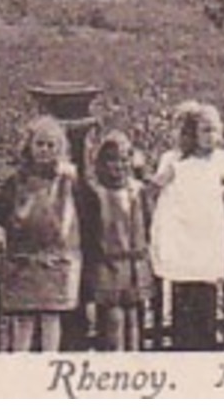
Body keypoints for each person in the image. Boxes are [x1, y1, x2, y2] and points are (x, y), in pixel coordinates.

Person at [148, 101, 224, 350]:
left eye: (214, 130)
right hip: (183, 238)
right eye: (204, 130)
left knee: (206, 298)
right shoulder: (174, 159)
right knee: (183, 297)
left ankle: (205, 347)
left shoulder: (219, 160)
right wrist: (166, 177)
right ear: (191, 132)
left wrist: (217, 194)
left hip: (207, 237)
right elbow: (156, 186)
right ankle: (183, 347)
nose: (210, 137)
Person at [0, 115, 82, 352]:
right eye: (39, 144)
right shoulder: (17, 181)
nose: (44, 150)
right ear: (29, 146)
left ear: (60, 148)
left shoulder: (66, 180)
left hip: (54, 257)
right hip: (24, 257)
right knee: (23, 319)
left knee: (51, 317)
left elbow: (78, 212)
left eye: (51, 145)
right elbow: (1, 212)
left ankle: (48, 362)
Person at [79, 130, 153, 351]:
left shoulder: (137, 191)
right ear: (102, 162)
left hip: (135, 267)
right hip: (107, 267)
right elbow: (90, 233)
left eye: (124, 159)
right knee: (113, 322)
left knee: (134, 323)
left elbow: (148, 223)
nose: (119, 165)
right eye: (112, 160)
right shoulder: (96, 193)